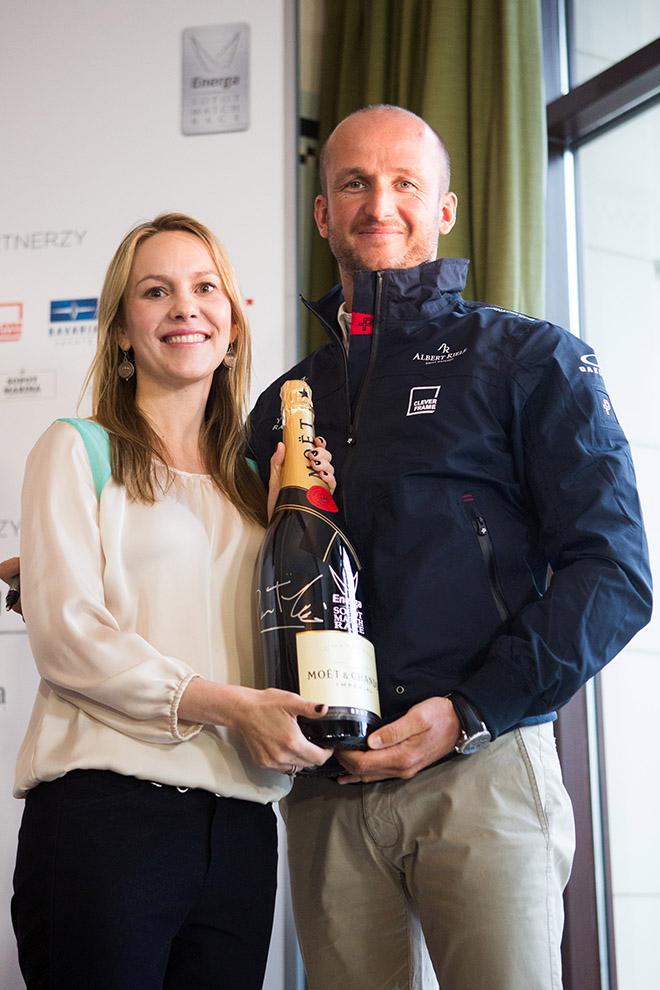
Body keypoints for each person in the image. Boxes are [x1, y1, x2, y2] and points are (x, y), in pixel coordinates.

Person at [246, 106, 653, 990]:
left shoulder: (532, 361)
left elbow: (615, 575)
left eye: (404, 184)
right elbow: (230, 570)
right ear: (323, 214)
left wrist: (468, 711)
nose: (377, 203)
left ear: (446, 210)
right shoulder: (286, 402)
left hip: (484, 767)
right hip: (328, 789)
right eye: (353, 183)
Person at [9, 212, 335, 989]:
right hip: (108, 823)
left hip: (243, 832)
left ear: (231, 323)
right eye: (156, 292)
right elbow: (68, 638)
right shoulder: (76, 448)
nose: (185, 307)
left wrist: (316, 504)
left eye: (204, 288)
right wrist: (229, 705)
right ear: (123, 330)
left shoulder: (260, 489)